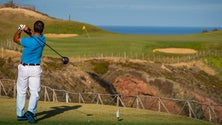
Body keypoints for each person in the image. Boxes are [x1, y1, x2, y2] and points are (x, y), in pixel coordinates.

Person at [13, 20, 45, 123]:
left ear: (33, 28)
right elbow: (35, 34)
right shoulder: (43, 39)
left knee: (21, 91)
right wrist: (28, 30)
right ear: (42, 30)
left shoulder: (27, 41)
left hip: (24, 68)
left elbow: (15, 39)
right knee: (34, 92)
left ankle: (20, 114)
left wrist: (20, 29)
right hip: (35, 69)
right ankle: (30, 112)